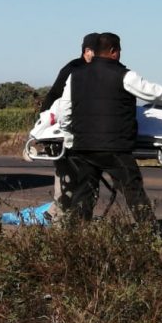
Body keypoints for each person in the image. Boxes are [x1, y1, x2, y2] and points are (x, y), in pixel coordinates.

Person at [59, 33, 162, 225]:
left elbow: (65, 111)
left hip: (83, 146)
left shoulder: (75, 76)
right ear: (113, 51)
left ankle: (76, 234)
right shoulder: (124, 75)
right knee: (132, 190)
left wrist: (70, 136)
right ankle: (148, 230)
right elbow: (152, 92)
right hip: (114, 147)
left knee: (84, 192)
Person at [41, 33, 100, 205]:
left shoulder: (92, 69)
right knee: (66, 173)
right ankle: (61, 212)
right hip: (60, 124)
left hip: (78, 126)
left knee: (80, 174)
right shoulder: (75, 69)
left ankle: (72, 212)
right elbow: (63, 103)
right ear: (87, 51)